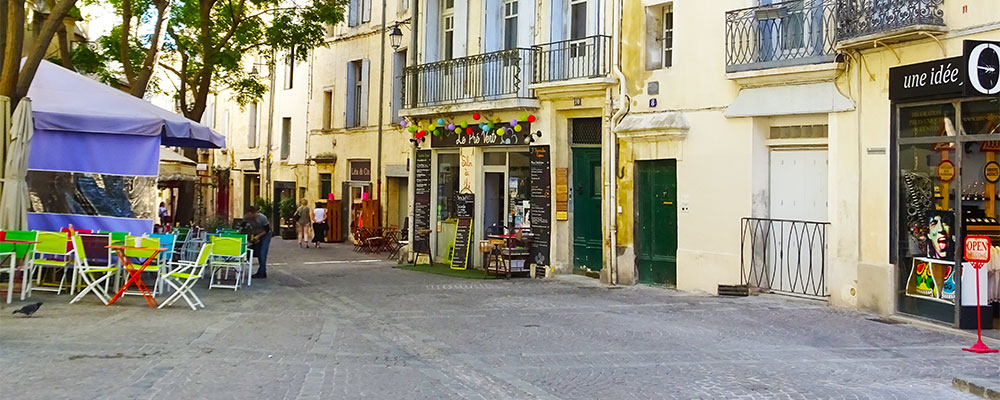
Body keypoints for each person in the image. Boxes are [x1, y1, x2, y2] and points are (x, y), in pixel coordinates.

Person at [245, 206, 271, 279]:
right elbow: (243, 227)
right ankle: (262, 271)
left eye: (250, 215)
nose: (249, 217)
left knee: (263, 253)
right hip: (256, 235)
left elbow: (267, 230)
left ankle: (261, 272)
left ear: (255, 213)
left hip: (265, 235)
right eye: (248, 215)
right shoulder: (246, 218)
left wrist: (258, 236)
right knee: (259, 253)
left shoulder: (262, 218)